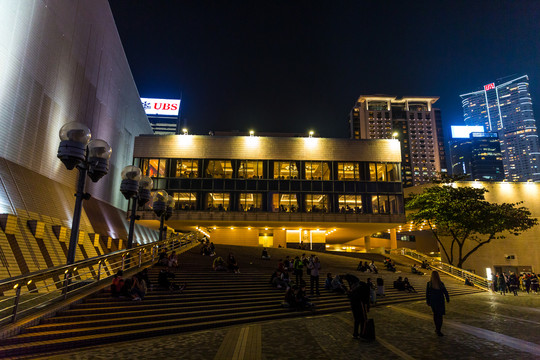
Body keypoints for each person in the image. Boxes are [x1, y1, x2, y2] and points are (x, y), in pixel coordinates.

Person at [342, 274, 370, 339]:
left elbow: (350, 297)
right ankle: (362, 334)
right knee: (363, 320)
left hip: (354, 305)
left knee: (357, 320)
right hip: (360, 305)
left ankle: (355, 333)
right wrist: (367, 305)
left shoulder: (354, 289)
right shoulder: (361, 287)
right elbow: (366, 297)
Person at [426, 271, 450, 336]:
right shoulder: (441, 284)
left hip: (433, 301)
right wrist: (447, 299)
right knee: (440, 316)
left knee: (435, 315)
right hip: (440, 301)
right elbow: (445, 292)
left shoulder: (429, 284)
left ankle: (437, 328)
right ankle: (439, 329)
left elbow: (427, 294)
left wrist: (428, 301)